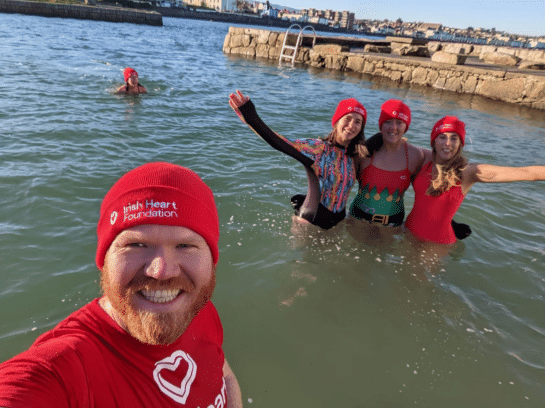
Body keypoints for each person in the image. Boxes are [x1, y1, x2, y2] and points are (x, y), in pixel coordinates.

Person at [0, 162, 243, 408]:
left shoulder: (195, 307)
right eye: (136, 245)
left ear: (211, 259)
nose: (161, 271)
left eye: (185, 246)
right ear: (103, 259)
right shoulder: (69, 367)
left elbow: (225, 376)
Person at [229, 90, 366, 230]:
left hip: (337, 221)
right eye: (347, 118)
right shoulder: (318, 149)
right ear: (337, 121)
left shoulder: (354, 155)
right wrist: (249, 114)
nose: (351, 125)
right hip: (310, 221)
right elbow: (279, 142)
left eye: (357, 121)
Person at [405, 116, 545, 244]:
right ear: (434, 140)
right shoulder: (423, 160)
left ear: (460, 143)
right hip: (407, 232)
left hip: (436, 244)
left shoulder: (467, 173)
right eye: (442, 137)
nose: (447, 143)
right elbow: (397, 145)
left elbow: (527, 173)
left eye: (454, 138)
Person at [349, 99, 424, 227]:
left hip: (393, 224)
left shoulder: (415, 155)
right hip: (358, 218)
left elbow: (425, 192)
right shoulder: (364, 152)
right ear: (381, 125)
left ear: (406, 126)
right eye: (388, 122)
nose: (393, 127)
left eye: (399, 123)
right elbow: (342, 182)